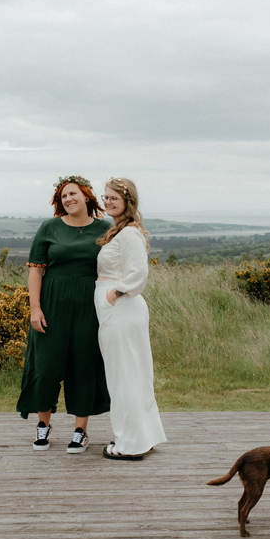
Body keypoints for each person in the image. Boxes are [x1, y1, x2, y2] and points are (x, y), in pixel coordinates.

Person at [17, 175, 111, 453]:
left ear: (86, 196)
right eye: (63, 197)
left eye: (72, 194)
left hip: (89, 307)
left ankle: (80, 431)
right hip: (52, 305)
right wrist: (35, 308)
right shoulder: (49, 227)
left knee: (83, 366)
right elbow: (36, 269)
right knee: (45, 367)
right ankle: (43, 426)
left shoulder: (106, 229)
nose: (68, 199)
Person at [94, 177, 167, 460]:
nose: (108, 201)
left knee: (124, 375)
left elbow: (138, 272)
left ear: (128, 200)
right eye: (106, 197)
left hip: (121, 308)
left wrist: (117, 292)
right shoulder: (120, 231)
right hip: (116, 308)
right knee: (130, 373)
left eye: (114, 198)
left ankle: (130, 443)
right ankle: (142, 435)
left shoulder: (129, 234)